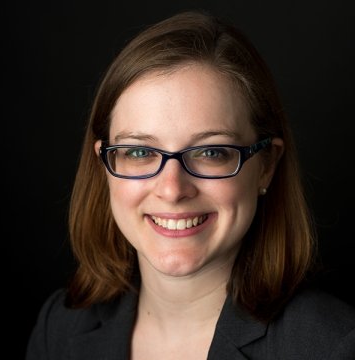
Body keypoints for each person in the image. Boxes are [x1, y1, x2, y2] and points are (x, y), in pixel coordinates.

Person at [26, 10, 355, 360]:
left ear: (266, 166)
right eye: (139, 151)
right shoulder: (60, 328)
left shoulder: (332, 346)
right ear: (104, 165)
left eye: (211, 151)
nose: (172, 189)